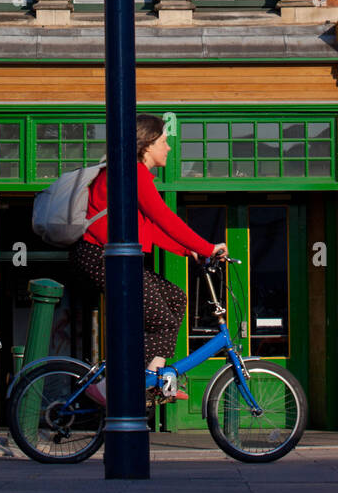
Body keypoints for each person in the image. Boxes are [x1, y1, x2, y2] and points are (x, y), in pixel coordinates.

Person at [69, 114, 227, 404]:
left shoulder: (131, 175)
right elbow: (165, 218)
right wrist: (206, 247)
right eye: (164, 142)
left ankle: (153, 379)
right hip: (100, 256)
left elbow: (150, 229)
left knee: (176, 299)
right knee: (160, 319)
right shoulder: (132, 173)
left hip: (113, 259)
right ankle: (111, 384)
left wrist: (188, 250)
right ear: (147, 145)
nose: (168, 148)